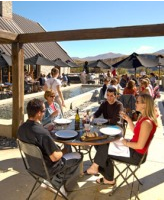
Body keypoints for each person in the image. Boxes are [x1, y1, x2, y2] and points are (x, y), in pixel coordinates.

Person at [85, 94, 157, 186]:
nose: (135, 103)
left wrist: (125, 142)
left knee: (104, 147)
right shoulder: (143, 118)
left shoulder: (147, 123)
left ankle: (101, 172)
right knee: (103, 143)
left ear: (144, 105)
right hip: (132, 148)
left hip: (135, 155)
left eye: (137, 102)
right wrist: (128, 119)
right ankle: (105, 175)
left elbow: (140, 145)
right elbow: (136, 131)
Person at [17, 98, 83, 191]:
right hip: (49, 169)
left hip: (33, 166)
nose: (44, 113)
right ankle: (57, 182)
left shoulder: (21, 129)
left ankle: (48, 181)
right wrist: (63, 151)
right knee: (79, 155)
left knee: (61, 149)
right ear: (39, 113)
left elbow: (34, 137)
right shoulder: (42, 133)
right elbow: (55, 157)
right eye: (43, 111)